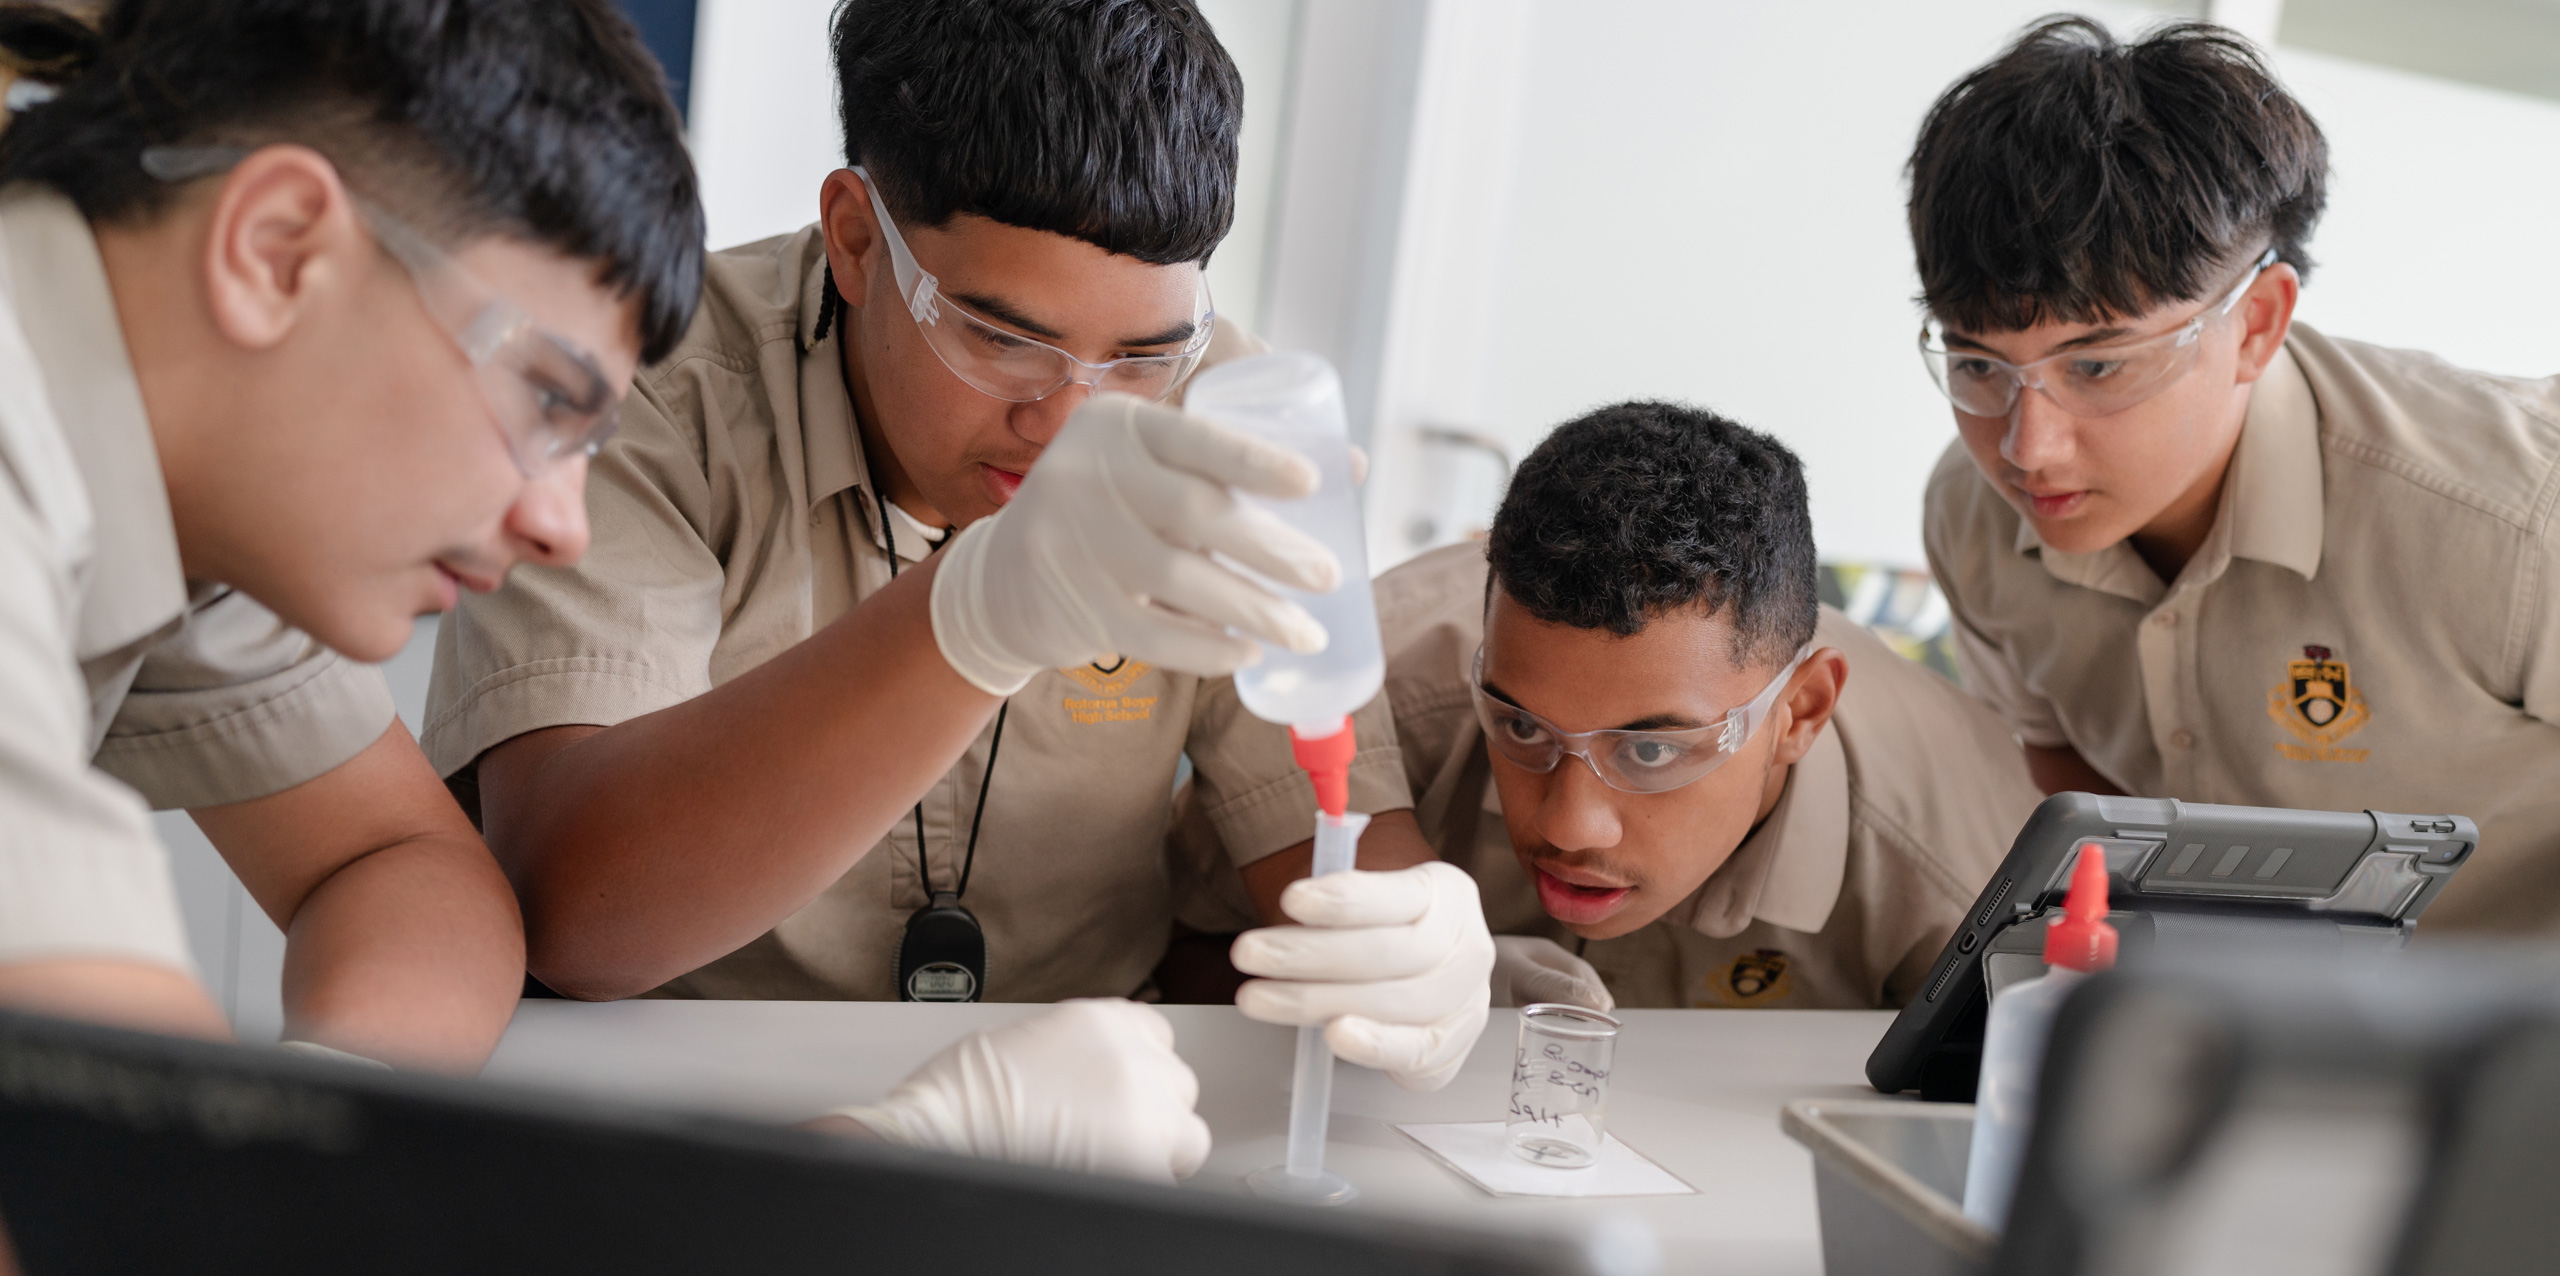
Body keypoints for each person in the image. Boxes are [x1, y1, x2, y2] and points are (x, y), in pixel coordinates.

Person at [424, 0, 1491, 1090]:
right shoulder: (647, 385)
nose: (1068, 423)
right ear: (854, 238)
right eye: (1004, 338)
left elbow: (1335, 854)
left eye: (1142, 355)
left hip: (1090, 1100)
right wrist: (965, 626)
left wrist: (1417, 941)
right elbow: (578, 917)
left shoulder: (1223, 424)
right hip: (682, 1099)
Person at [0, 0, 700, 1071]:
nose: (562, 525)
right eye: (543, 396)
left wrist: (332, 1093)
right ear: (277, 251)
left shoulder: (188, 485)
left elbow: (400, 861)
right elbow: (122, 1136)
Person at [1912, 18, 2560, 930]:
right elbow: (2067, 782)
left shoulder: (2515, 515)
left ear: (2256, 323)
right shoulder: (1968, 513)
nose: (2027, 447)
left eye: (2096, 365)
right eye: (1978, 363)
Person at [1336, 402, 2041, 1008]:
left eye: (1651, 749)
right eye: (1521, 727)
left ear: (1800, 712)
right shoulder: (1368, 688)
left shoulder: (1972, 877)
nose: (1568, 827)